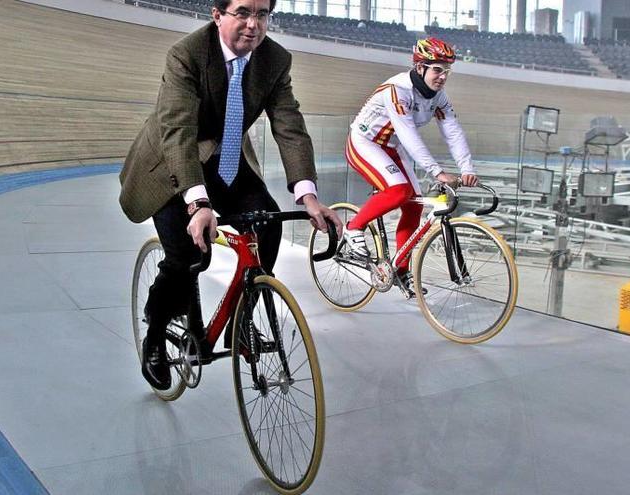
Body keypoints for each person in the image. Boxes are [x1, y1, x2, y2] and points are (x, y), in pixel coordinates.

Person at [119, 0, 342, 390]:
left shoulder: (274, 60)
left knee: (268, 226)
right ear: (217, 14)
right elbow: (178, 131)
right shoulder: (186, 55)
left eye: (262, 14)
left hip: (226, 162)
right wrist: (199, 203)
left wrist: (308, 196)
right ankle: (155, 331)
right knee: (189, 255)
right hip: (174, 163)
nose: (253, 24)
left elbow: (289, 126)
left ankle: (241, 321)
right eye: (242, 12)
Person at [342, 36, 478, 297]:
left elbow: (453, 132)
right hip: (365, 142)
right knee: (399, 192)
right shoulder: (398, 89)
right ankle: (353, 227)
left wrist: (467, 168)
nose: (443, 77)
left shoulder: (439, 97)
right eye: (437, 69)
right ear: (420, 68)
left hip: (391, 147)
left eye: (446, 71)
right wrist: (437, 171)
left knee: (414, 208)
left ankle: (401, 271)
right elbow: (408, 134)